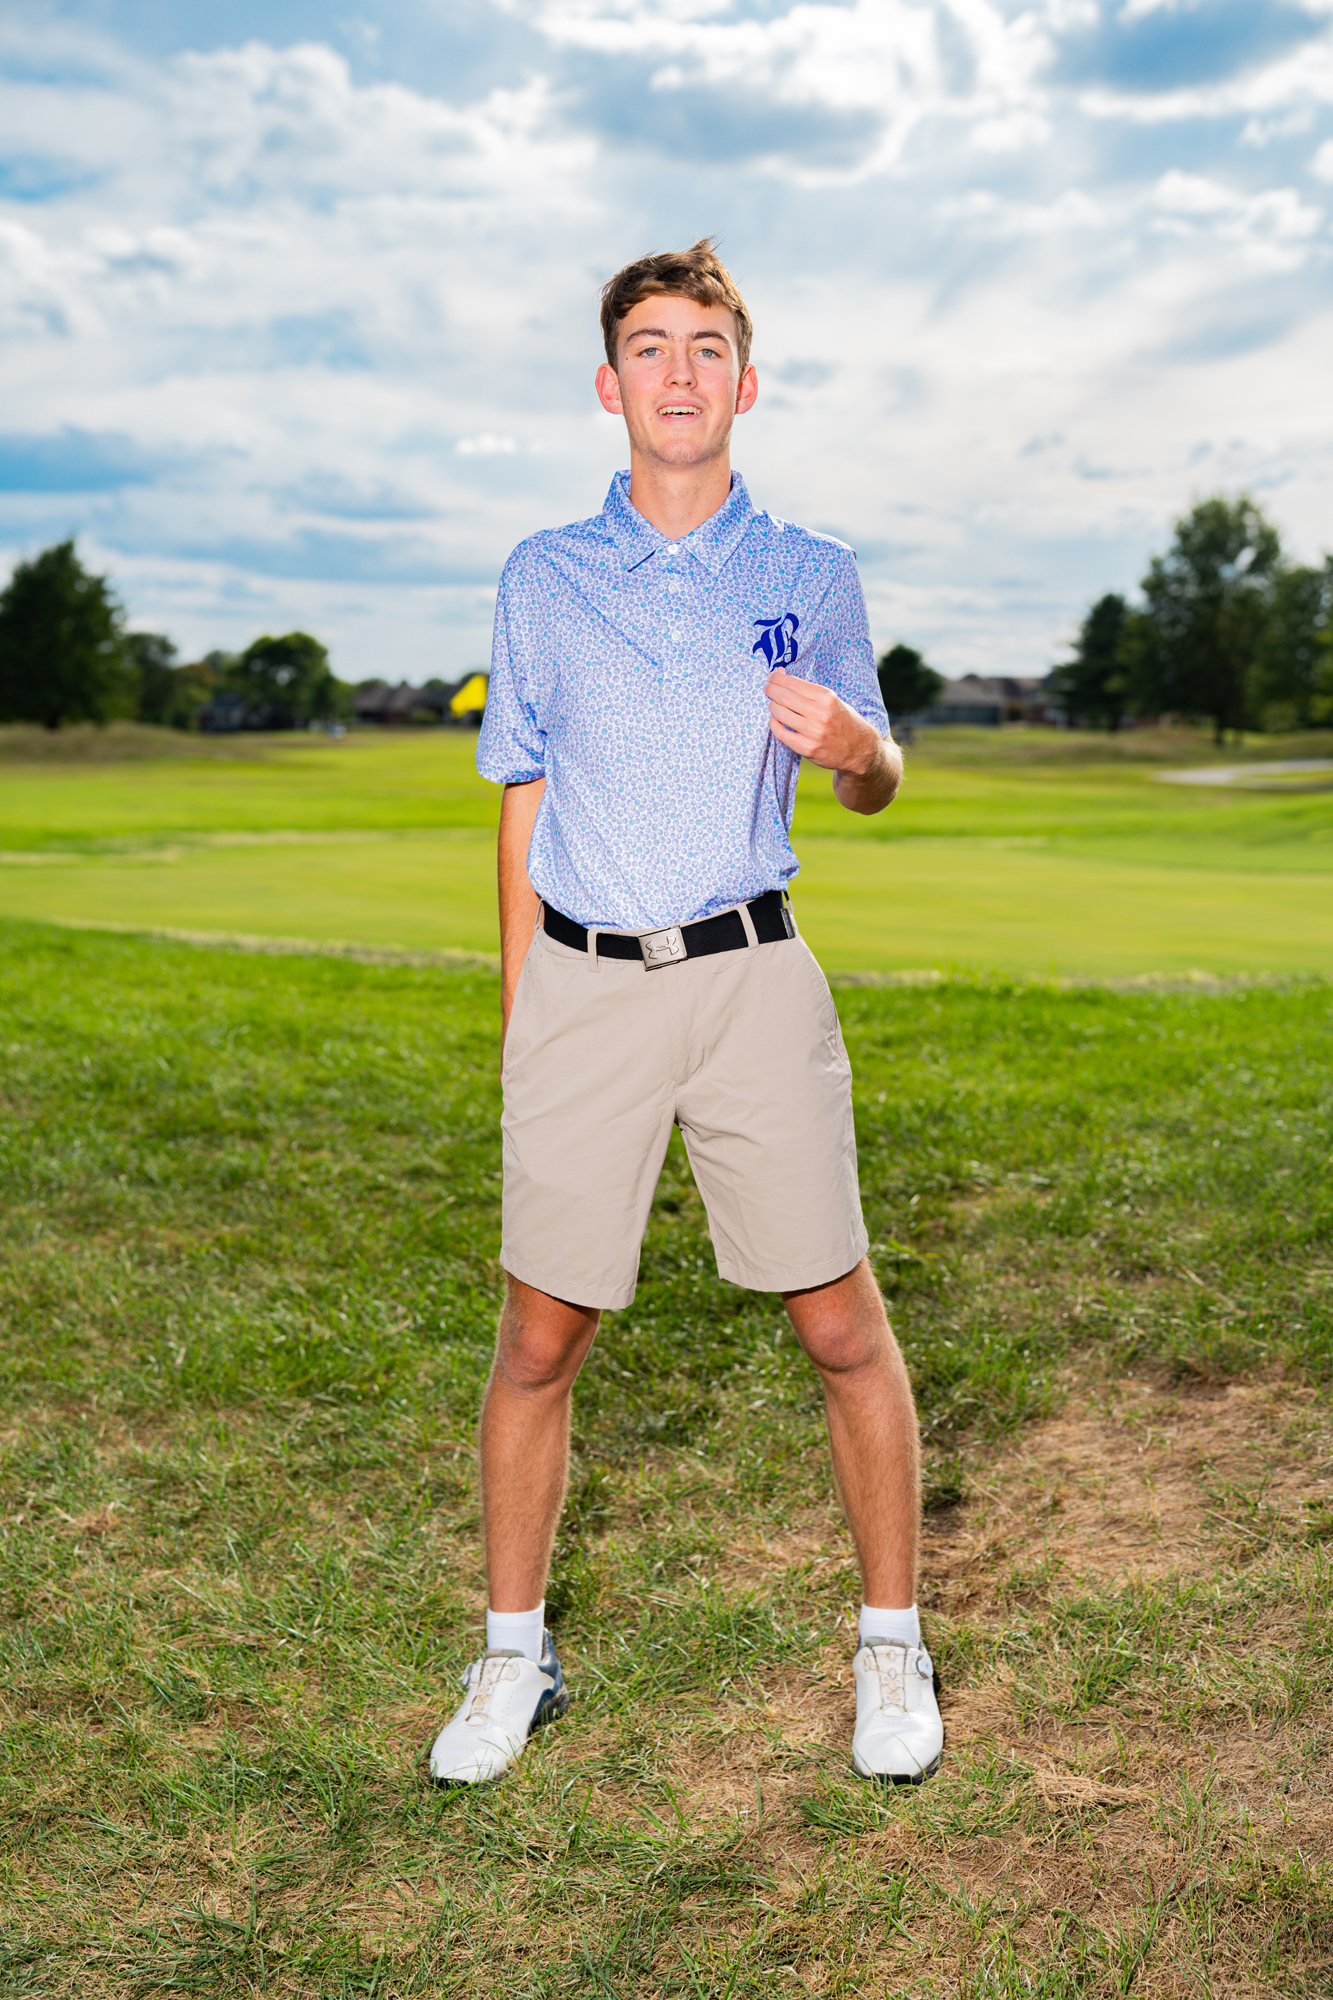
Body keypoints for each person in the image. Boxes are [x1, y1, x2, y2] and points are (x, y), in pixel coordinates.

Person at [428, 239, 942, 1789]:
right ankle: (512, 1657)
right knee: (537, 1342)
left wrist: (854, 746)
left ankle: (890, 1646)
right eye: (649, 346)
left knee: (839, 1327)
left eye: (705, 346)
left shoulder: (809, 572)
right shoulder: (541, 576)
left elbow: (876, 777)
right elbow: (519, 796)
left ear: (743, 382)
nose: (677, 371)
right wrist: (523, 1012)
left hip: (751, 977)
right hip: (581, 987)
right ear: (610, 385)